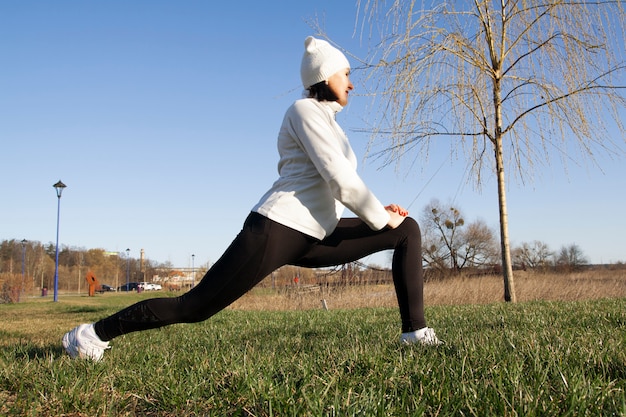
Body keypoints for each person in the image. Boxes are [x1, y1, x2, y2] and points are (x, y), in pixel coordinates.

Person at [62, 36, 440, 361]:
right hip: (276, 229)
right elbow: (340, 179)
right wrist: (378, 215)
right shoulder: (304, 111)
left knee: (406, 230)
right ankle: (91, 336)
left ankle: (415, 334)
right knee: (194, 307)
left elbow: (336, 184)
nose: (352, 84)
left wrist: (385, 215)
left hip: (315, 234)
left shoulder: (330, 124)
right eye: (347, 74)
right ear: (325, 75)